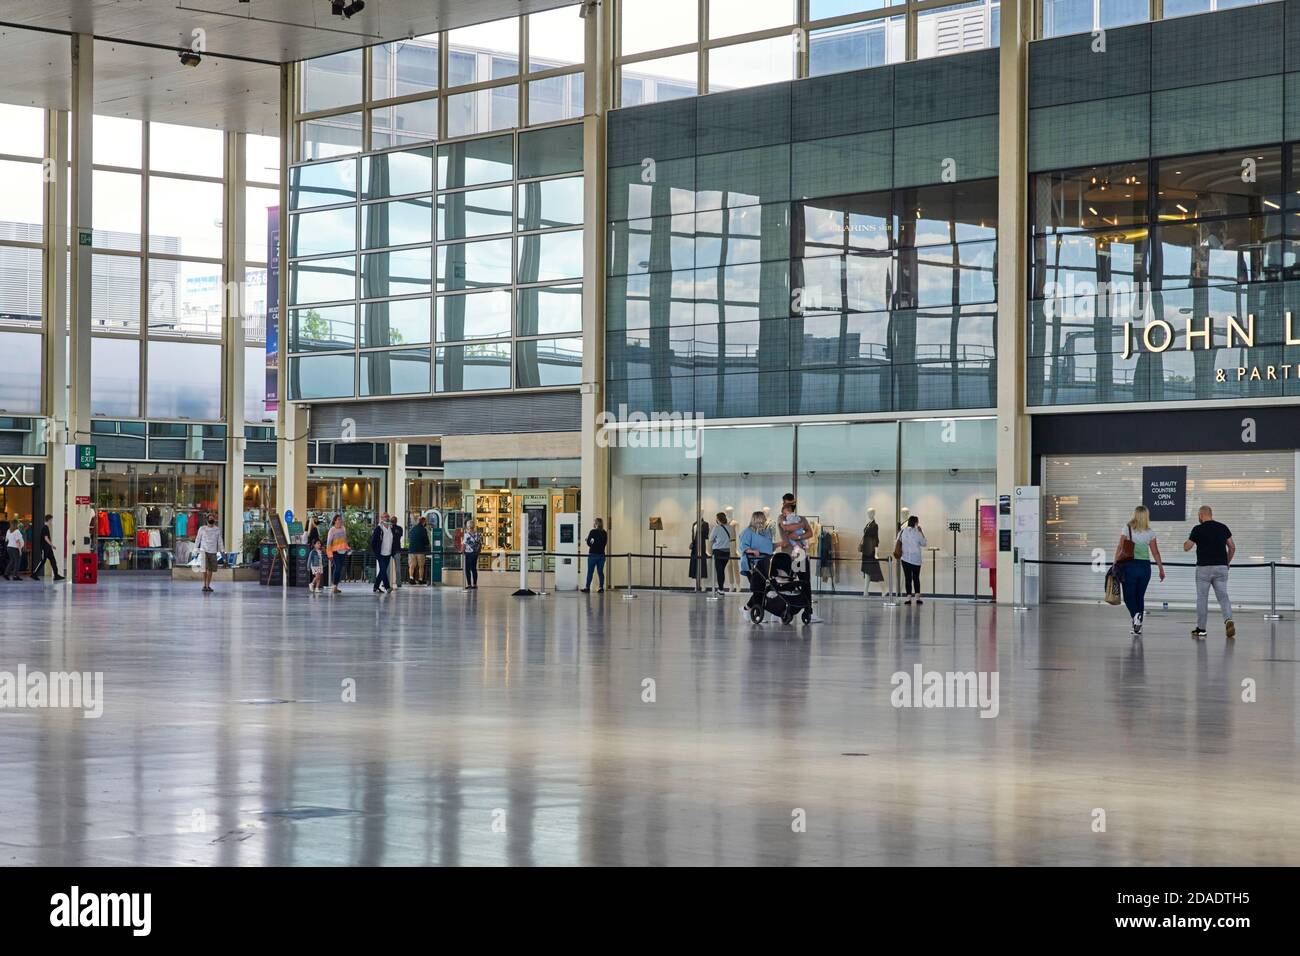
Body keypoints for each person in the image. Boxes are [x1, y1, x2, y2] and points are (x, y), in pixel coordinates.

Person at [1184, 505, 1235, 640]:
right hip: (1221, 567)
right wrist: (1227, 562)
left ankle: (1201, 629)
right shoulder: (1223, 527)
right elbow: (1232, 546)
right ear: (1211, 514)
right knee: (1223, 597)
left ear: (1201, 515)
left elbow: (1187, 547)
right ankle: (1228, 619)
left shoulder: (1197, 529)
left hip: (1204, 569)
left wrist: (1187, 540)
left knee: (1202, 598)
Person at [1115, 504, 1164, 636]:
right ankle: (1137, 627)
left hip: (1129, 566)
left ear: (1135, 515)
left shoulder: (1127, 529)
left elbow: (1120, 547)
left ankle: (1136, 615)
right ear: (1146, 516)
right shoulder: (1150, 532)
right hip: (1145, 568)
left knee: (1128, 597)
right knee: (1139, 596)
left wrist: (1115, 563)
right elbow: (1156, 553)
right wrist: (1161, 569)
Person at [739, 510, 774, 612]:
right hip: (752, 564)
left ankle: (747, 609)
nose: (764, 520)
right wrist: (752, 551)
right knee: (758, 589)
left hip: (765, 563)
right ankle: (755, 611)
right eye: (762, 518)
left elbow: (769, 547)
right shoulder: (748, 532)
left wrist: (779, 544)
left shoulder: (766, 532)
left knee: (762, 589)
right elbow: (743, 547)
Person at [896, 515, 927, 605]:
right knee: (916, 578)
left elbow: (897, 542)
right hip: (916, 559)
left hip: (905, 559)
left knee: (907, 578)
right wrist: (922, 532)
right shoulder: (918, 532)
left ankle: (908, 598)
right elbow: (924, 543)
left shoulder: (902, 532)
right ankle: (918, 598)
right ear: (916, 523)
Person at [369, 513, 400, 594]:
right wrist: (376, 552)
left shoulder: (391, 528)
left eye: (388, 517)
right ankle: (387, 587)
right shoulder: (378, 529)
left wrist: (393, 551)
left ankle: (376, 587)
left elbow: (394, 540)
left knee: (382, 571)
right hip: (381, 554)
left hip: (388, 553)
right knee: (383, 570)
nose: (387, 518)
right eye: (385, 517)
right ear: (381, 518)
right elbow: (373, 542)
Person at [194, 513, 224, 593]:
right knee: (204, 568)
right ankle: (204, 585)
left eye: (212, 519)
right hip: (203, 550)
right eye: (210, 518)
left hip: (213, 551)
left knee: (210, 569)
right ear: (207, 520)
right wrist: (195, 549)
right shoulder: (202, 529)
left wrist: (222, 550)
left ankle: (208, 585)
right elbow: (198, 539)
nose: (211, 520)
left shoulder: (217, 529)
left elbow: (220, 540)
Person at [30, 515, 65, 581]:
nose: (52, 522)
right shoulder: (45, 528)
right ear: (49, 520)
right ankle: (34, 574)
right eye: (51, 520)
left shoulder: (46, 528)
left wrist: (50, 546)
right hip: (45, 548)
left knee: (53, 561)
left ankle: (56, 575)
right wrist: (52, 545)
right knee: (43, 561)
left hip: (48, 548)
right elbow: (46, 538)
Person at [582, 517, 608, 593]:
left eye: (594, 522)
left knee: (590, 571)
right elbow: (604, 544)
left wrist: (587, 540)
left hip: (592, 555)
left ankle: (587, 587)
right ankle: (601, 587)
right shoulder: (604, 533)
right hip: (601, 555)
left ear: (596, 524)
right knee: (600, 572)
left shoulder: (592, 532)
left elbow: (590, 543)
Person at [325, 514, 349, 594]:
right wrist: (330, 555)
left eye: (340, 519)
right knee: (338, 567)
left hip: (343, 552)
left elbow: (344, 540)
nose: (340, 521)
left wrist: (347, 547)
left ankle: (336, 586)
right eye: (338, 519)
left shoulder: (343, 529)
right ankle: (334, 586)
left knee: (340, 570)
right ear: (334, 521)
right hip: (335, 552)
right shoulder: (332, 530)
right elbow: (328, 543)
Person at [709, 512, 732, 594]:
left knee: (719, 571)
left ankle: (721, 589)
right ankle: (721, 588)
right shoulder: (730, 527)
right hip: (727, 552)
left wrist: (710, 551)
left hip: (718, 551)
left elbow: (711, 539)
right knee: (722, 570)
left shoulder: (716, 528)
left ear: (718, 519)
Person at [407, 516, 431, 585]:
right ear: (423, 522)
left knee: (411, 565)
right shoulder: (423, 529)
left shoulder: (413, 528)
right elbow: (426, 541)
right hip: (420, 550)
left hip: (411, 550)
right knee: (421, 566)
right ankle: (420, 579)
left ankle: (411, 578)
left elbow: (410, 538)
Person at [462, 520, 483, 590]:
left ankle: (469, 584)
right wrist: (478, 552)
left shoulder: (466, 535)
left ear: (467, 526)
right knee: (473, 568)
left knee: (467, 569)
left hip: (468, 553)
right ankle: (475, 584)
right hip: (475, 554)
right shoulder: (478, 534)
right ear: (474, 526)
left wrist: (462, 551)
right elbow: (480, 544)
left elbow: (464, 545)